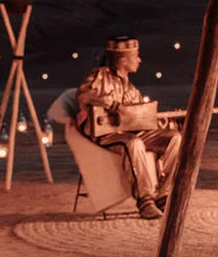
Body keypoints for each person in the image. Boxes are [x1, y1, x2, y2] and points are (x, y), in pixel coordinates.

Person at [77, 37, 181, 219]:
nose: (139, 60)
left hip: (133, 132)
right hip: (108, 135)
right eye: (136, 57)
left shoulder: (131, 88)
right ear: (124, 61)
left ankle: (164, 195)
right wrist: (111, 103)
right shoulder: (100, 77)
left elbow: (142, 117)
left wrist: (165, 121)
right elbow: (84, 95)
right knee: (134, 143)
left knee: (175, 138)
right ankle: (145, 200)